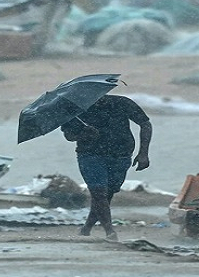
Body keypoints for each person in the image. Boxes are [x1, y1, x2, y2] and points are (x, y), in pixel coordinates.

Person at [61, 94, 152, 241]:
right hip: (90, 155)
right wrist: (83, 135)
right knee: (98, 193)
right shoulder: (75, 109)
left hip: (121, 155)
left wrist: (143, 153)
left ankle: (86, 229)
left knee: (107, 194)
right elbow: (69, 135)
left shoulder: (121, 103)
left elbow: (145, 124)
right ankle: (110, 232)